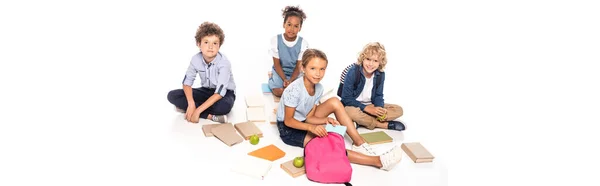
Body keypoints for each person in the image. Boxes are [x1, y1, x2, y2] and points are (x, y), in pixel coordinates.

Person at [276, 49, 402, 171]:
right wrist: (311, 128)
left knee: (335, 101)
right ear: (303, 68)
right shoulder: (294, 90)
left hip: (303, 120)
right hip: (288, 129)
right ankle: (377, 161)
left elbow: (309, 117)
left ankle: (359, 143)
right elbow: (288, 121)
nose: (318, 73)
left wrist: (325, 119)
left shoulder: (318, 88)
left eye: (322, 69)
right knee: (329, 145)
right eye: (312, 68)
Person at [167, 21, 236, 123]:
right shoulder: (196, 59)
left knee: (224, 107)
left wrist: (197, 111)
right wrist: (191, 103)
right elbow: (187, 83)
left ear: (219, 46)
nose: (210, 47)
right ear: (199, 44)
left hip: (224, 94)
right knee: (172, 95)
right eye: (206, 42)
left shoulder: (224, 63)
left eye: (215, 43)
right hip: (206, 90)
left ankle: (192, 110)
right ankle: (209, 116)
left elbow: (219, 93)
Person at [339, 42, 405, 131]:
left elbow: (378, 95)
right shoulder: (353, 72)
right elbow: (346, 98)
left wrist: (379, 108)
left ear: (380, 63)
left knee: (398, 110)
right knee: (350, 112)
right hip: (353, 105)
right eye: (368, 59)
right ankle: (380, 124)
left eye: (375, 61)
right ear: (363, 59)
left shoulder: (380, 74)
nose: (371, 64)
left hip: (371, 104)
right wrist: (366, 109)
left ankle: (362, 121)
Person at [268, 5, 309, 97]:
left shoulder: (303, 43)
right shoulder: (276, 40)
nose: (291, 29)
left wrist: (291, 80)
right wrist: (284, 79)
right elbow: (277, 64)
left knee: (299, 93)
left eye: (296, 26)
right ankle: (271, 77)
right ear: (284, 24)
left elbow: (299, 66)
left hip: (295, 73)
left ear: (300, 28)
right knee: (278, 92)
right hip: (280, 71)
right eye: (289, 24)